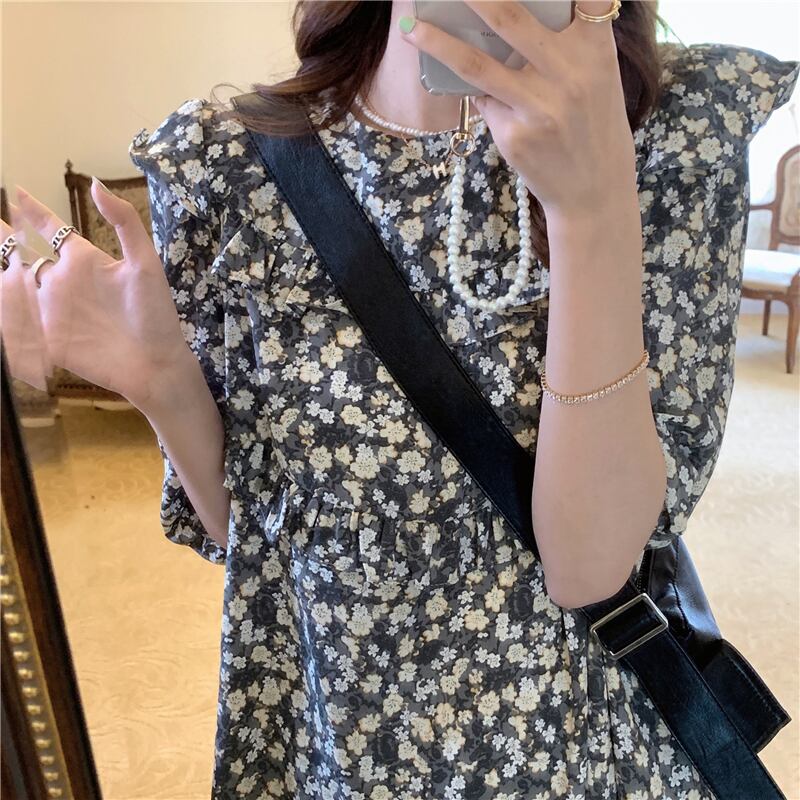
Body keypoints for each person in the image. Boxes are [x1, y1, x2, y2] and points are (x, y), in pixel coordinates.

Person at [3, 1, 798, 797]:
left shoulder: (672, 133)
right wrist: (163, 382)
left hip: (572, 748)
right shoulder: (231, 168)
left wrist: (591, 209)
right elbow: (264, 538)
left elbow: (591, 563)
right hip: (340, 743)